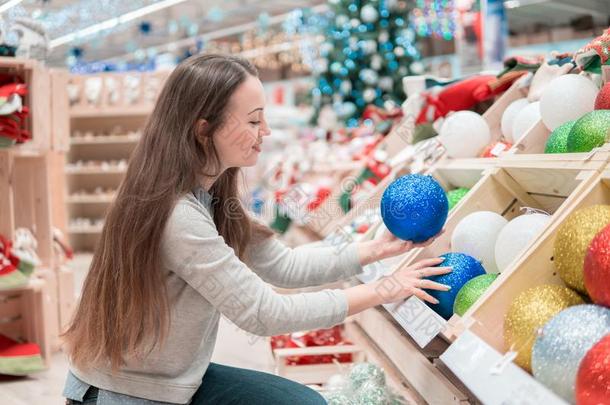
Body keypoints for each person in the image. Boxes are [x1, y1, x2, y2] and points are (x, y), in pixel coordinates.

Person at [61, 54, 450, 405]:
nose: (265, 130)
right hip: (126, 391)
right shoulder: (177, 215)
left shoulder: (210, 197)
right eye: (253, 120)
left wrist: (375, 250)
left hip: (172, 378)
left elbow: (285, 266)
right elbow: (264, 313)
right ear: (203, 130)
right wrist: (382, 290)